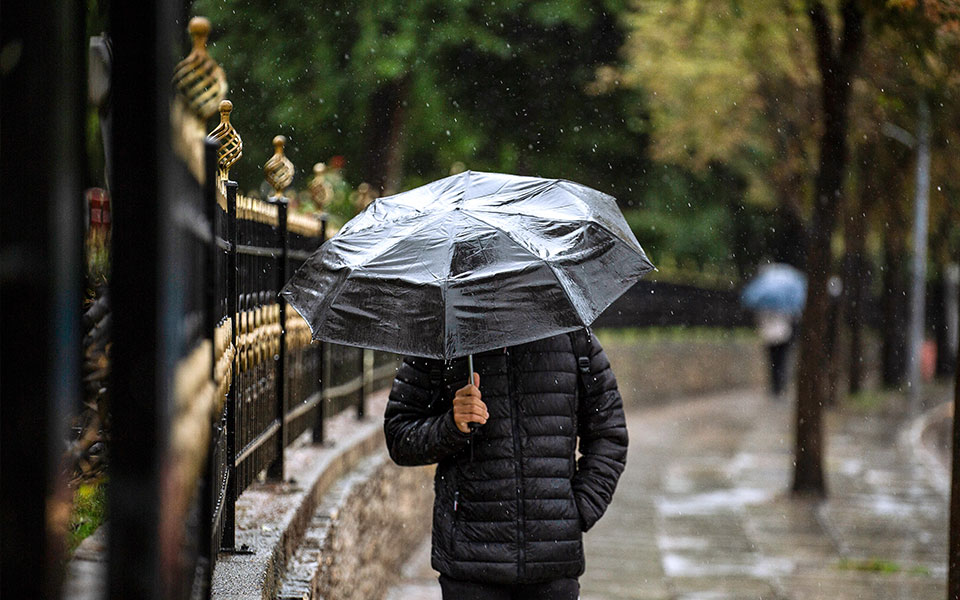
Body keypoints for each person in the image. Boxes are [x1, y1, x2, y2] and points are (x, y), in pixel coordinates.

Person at [384, 329, 628, 600]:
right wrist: (452, 425)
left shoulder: (571, 335)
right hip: (470, 561)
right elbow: (399, 437)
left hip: (551, 565)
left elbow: (609, 434)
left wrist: (578, 509)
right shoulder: (443, 338)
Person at [756, 310, 795, 399]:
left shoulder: (764, 306)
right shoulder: (784, 307)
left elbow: (760, 321)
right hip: (782, 336)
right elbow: (790, 319)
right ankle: (781, 384)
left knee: (773, 362)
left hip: (770, 337)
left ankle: (775, 385)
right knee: (781, 361)